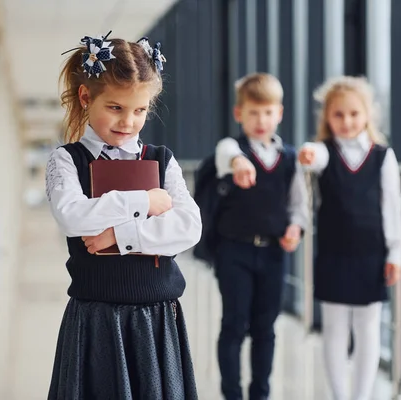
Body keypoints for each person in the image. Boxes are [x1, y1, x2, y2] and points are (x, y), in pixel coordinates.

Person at [45, 33, 201, 399]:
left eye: (140, 110)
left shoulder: (162, 160)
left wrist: (120, 236)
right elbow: (72, 216)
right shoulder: (67, 160)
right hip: (96, 321)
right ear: (86, 97)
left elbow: (189, 227)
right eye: (115, 107)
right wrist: (145, 201)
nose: (128, 121)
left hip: (157, 321)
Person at [298, 75, 401, 400]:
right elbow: (311, 155)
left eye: (354, 114)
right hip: (333, 253)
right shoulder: (325, 153)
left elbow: (393, 206)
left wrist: (395, 253)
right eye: (338, 115)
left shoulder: (383, 157)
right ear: (327, 118)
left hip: (372, 254)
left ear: (367, 116)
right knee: (333, 329)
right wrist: (306, 154)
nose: (347, 121)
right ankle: (339, 396)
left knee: (368, 329)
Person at [213, 72, 309, 400]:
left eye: (268, 112)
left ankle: (260, 394)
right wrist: (239, 162)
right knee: (234, 324)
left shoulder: (289, 158)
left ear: (279, 114)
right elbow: (225, 152)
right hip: (234, 252)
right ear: (239, 114)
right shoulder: (232, 150)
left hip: (273, 255)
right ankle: (232, 394)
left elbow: (298, 204)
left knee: (266, 329)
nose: (261, 120)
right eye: (253, 112)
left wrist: (295, 228)